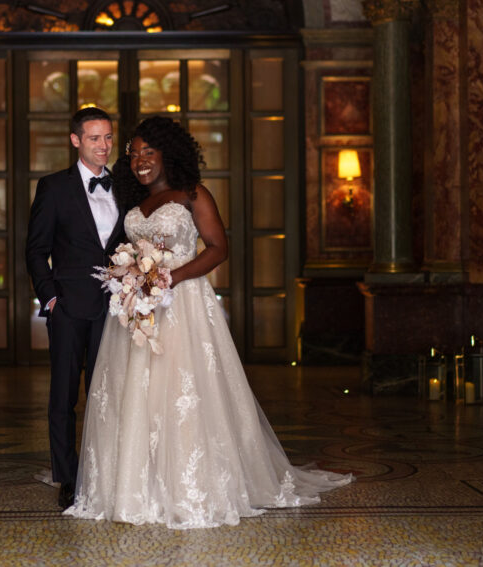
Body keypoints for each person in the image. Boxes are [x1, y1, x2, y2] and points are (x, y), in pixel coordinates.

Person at [64, 116, 352, 529]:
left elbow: (219, 249)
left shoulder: (193, 195)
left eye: (149, 152)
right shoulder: (133, 201)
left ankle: (188, 486)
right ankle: (132, 486)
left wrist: (169, 277)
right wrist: (129, 277)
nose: (141, 160)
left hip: (183, 307)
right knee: (133, 395)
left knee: (181, 392)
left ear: (168, 153)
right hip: (138, 311)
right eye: (134, 154)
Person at [25, 107, 127, 509]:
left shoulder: (125, 186)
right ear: (75, 141)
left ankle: (105, 471)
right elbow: (35, 250)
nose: (103, 146)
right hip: (68, 308)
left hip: (116, 308)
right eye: (94, 138)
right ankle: (67, 478)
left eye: (108, 138)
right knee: (63, 398)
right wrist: (51, 300)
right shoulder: (54, 187)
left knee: (108, 394)